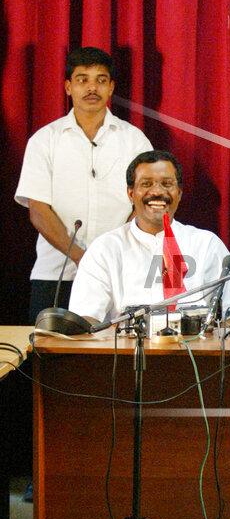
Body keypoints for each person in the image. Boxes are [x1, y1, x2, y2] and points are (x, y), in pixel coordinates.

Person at [15, 47, 153, 321]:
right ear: (68, 87)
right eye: (82, 79)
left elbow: (146, 202)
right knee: (49, 358)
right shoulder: (45, 140)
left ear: (111, 88)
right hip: (56, 275)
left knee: (115, 359)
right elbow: (38, 209)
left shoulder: (134, 140)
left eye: (101, 80)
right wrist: (81, 256)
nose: (92, 88)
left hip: (120, 273)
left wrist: (111, 254)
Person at [69, 150, 230, 324]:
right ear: (130, 194)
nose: (157, 191)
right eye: (146, 184)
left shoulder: (206, 244)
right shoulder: (105, 248)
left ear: (179, 194)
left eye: (167, 184)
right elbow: (85, 318)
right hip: (124, 349)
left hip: (195, 348)